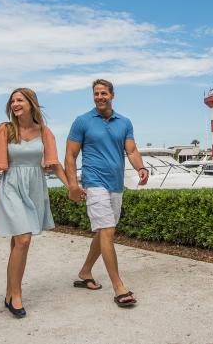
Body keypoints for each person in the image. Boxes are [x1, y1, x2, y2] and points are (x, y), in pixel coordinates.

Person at [0, 88, 70, 318]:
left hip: (35, 188)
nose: (15, 103)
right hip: (12, 186)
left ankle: (8, 293)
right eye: (12, 100)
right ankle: (17, 294)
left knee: (18, 244)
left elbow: (54, 164)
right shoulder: (4, 130)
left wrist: (71, 186)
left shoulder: (44, 132)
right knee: (23, 239)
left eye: (20, 99)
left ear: (31, 103)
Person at [65, 79, 148, 308]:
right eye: (96, 93)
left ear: (112, 95)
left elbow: (131, 150)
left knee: (104, 233)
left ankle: (85, 272)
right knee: (108, 231)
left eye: (103, 93)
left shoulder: (125, 122)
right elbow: (70, 156)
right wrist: (73, 185)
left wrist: (140, 167)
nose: (99, 97)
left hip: (116, 184)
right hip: (94, 182)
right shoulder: (82, 121)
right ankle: (119, 287)